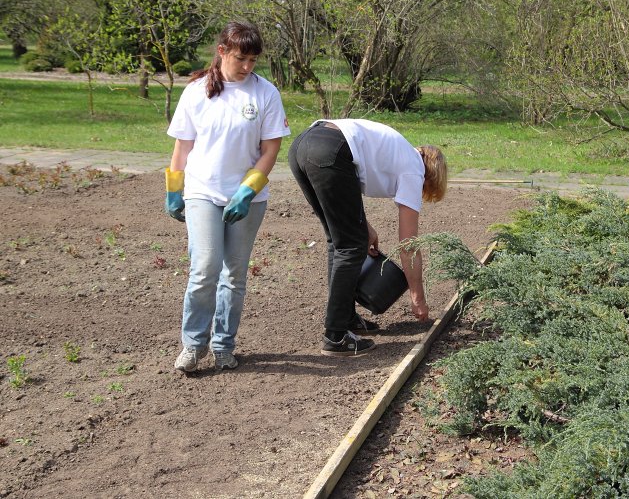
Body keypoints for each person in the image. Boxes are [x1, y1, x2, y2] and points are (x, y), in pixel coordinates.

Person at [164, 21, 291, 372]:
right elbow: (182, 147)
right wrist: (174, 190)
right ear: (222, 52)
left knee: (234, 273)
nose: (248, 67)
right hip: (203, 191)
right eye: (241, 58)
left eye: (253, 60)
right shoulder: (196, 92)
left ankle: (223, 345)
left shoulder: (265, 94)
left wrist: (247, 191)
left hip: (247, 197)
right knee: (205, 267)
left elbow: (270, 150)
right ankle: (192, 345)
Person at [288, 119, 447, 357]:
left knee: (339, 240)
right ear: (430, 177)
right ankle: (335, 336)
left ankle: (345, 319)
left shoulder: (398, 151)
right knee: (351, 246)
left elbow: (348, 181)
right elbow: (408, 246)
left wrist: (366, 227)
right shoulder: (415, 170)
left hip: (303, 145)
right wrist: (418, 297)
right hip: (331, 149)